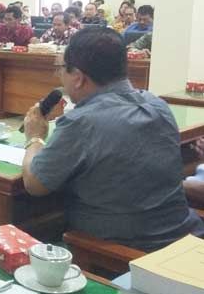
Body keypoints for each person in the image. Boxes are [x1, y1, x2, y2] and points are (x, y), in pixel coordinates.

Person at [21, 27, 204, 251]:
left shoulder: (82, 122)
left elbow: (34, 184)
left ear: (78, 78)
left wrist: (35, 137)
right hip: (187, 237)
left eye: (60, 69)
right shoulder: (158, 105)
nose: (59, 77)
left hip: (124, 254)